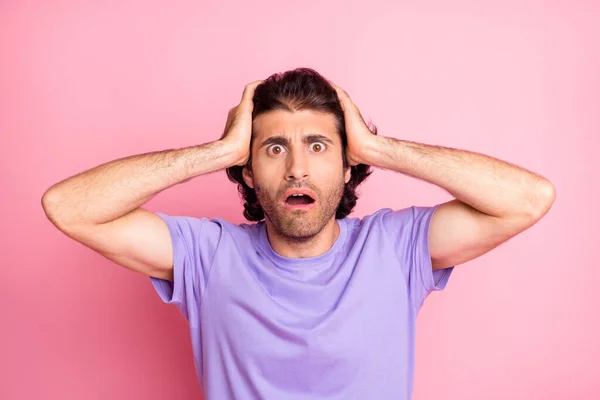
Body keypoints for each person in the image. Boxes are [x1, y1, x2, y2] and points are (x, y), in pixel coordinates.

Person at [41, 67, 556, 399]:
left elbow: (528, 198)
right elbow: (68, 207)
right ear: (248, 170)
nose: (296, 170)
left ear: (348, 165)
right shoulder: (208, 255)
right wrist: (216, 152)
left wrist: (380, 149)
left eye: (316, 146)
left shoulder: (396, 248)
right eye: (273, 149)